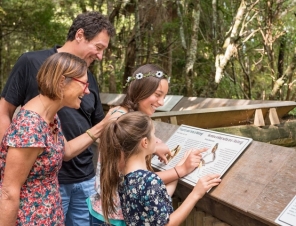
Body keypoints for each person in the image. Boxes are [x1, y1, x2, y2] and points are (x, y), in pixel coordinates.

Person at [0, 11, 115, 225]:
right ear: (62, 82)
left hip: (58, 202)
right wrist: (9, 158)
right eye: (83, 85)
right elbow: (8, 191)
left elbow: (68, 151)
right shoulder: (30, 127)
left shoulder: (51, 118)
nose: (87, 91)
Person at [87, 64, 206, 225]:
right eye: (158, 94)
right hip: (113, 216)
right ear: (141, 89)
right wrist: (180, 170)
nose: (162, 102)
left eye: (164, 96)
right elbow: (126, 177)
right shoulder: (120, 119)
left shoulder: (129, 116)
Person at [99, 111, 222, 225]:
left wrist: (180, 167)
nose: (156, 139)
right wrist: (196, 194)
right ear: (145, 142)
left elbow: (157, 200)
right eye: (153, 134)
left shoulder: (125, 176)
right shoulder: (148, 180)